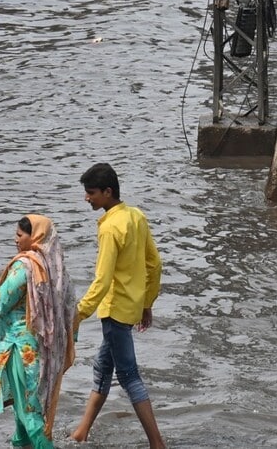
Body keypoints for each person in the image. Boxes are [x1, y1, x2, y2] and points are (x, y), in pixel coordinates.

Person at [68, 163, 165, 449]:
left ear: (108, 192)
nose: (87, 198)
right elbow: (154, 264)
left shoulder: (110, 227)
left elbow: (102, 279)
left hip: (114, 311)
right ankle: (82, 431)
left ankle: (157, 443)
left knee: (129, 376)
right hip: (131, 307)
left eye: (91, 193)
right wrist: (147, 303)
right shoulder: (136, 216)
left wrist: (79, 313)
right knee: (103, 368)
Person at [0, 214, 76, 449]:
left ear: (35, 237)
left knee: (30, 415)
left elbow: (1, 300)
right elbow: (72, 309)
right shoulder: (55, 268)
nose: (15, 240)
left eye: (20, 235)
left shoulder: (25, 267)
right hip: (42, 348)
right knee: (24, 413)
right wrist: (69, 342)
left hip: (19, 350)